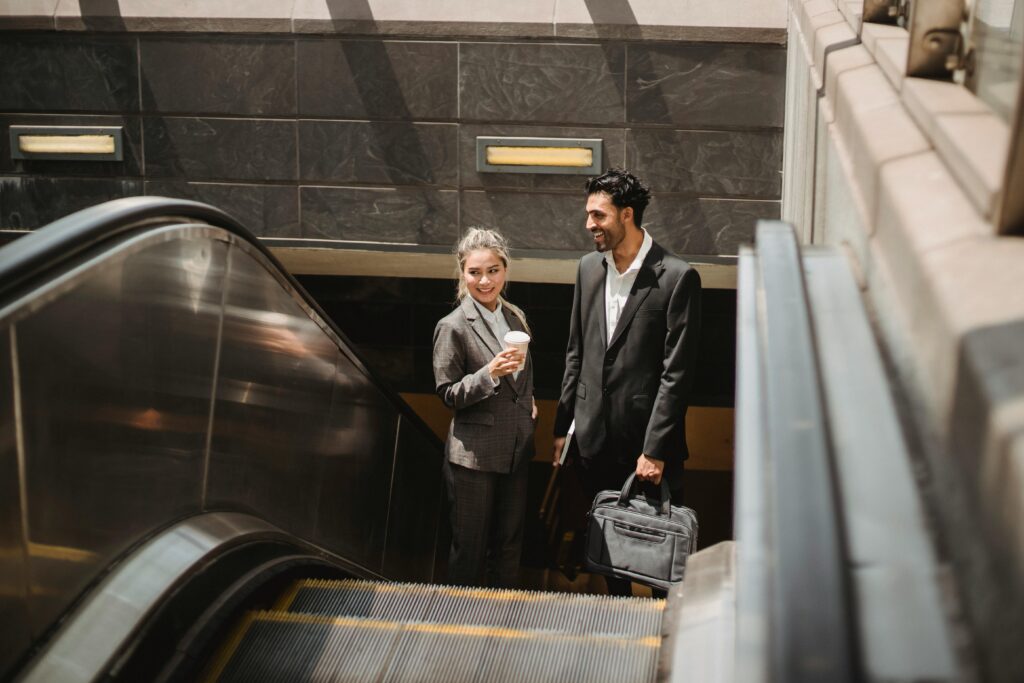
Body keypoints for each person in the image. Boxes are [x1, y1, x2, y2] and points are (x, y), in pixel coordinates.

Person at [552, 169, 701, 595]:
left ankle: (661, 631)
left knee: (659, 559)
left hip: (648, 450)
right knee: (609, 555)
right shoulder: (587, 269)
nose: (589, 224)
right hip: (592, 443)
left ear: (627, 215)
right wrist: (562, 429)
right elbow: (576, 351)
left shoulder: (677, 276)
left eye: (598, 215)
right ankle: (619, 621)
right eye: (588, 214)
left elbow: (677, 374)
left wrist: (655, 450)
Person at [433, 227, 538, 587]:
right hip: (473, 458)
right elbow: (447, 393)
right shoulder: (452, 327)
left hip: (516, 450)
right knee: (470, 549)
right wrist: (489, 373)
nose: (484, 281)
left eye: (493, 270)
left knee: (509, 548)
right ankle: (462, 617)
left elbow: (522, 379)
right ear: (462, 273)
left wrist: (529, 403)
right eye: (475, 272)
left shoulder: (514, 317)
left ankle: (501, 614)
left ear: (504, 270)